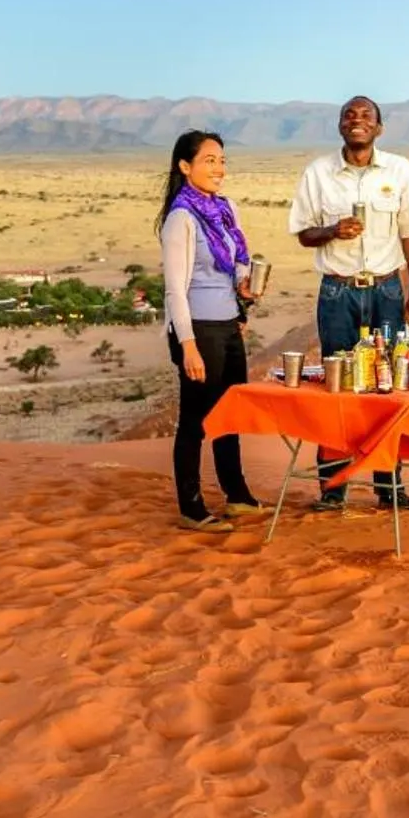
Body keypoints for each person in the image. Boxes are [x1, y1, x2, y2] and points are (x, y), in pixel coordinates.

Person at [287, 95, 409, 511]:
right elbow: (302, 233)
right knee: (339, 390)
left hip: (387, 291)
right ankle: (333, 490)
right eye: (349, 115)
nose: (357, 120)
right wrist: (333, 230)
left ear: (379, 128)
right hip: (338, 292)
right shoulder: (318, 173)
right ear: (340, 126)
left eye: (366, 115)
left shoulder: (399, 170)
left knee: (389, 387)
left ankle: (390, 488)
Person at [158, 130, 264, 533]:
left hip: (227, 324)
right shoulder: (181, 219)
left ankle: (236, 495)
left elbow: (235, 261)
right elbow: (174, 290)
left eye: (221, 159)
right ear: (185, 167)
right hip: (197, 329)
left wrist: (243, 284)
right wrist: (188, 346)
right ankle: (191, 507)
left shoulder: (225, 209)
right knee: (196, 420)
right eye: (208, 160)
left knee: (230, 413)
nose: (219, 168)